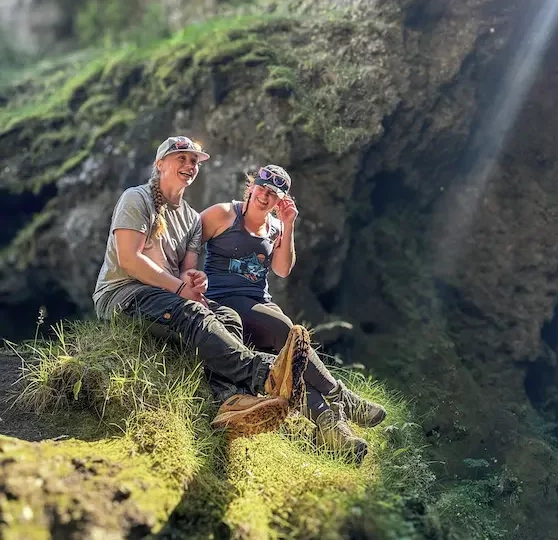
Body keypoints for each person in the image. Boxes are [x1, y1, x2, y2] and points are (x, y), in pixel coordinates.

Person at [92, 137, 311, 436]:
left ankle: (230, 399)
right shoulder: (137, 199)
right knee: (193, 315)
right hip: (123, 295)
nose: (189, 165)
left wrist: (196, 282)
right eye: (180, 158)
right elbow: (130, 261)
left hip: (163, 295)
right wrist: (182, 291)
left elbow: (186, 272)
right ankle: (265, 373)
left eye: (194, 161)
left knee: (228, 317)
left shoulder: (191, 219)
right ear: (160, 164)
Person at [200, 164, 386, 463]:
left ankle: (333, 429)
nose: (265, 196)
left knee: (288, 367)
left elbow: (282, 269)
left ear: (280, 201)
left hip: (259, 304)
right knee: (288, 330)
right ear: (251, 187)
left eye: (274, 194)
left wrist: (288, 225)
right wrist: (187, 284)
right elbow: (189, 246)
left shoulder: (275, 226)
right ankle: (343, 398)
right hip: (224, 301)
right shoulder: (222, 214)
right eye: (262, 189)